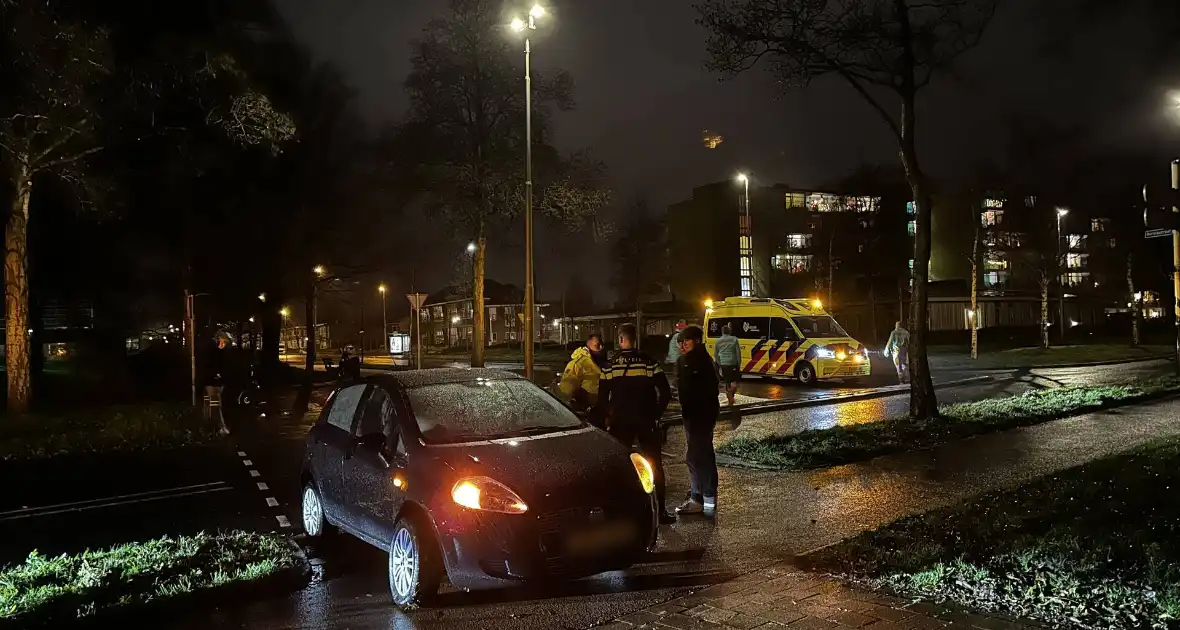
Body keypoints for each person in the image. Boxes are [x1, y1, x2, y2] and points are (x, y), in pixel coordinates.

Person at [598, 324, 675, 524]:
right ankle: (661, 511)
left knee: (619, 466)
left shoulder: (610, 365)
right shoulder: (648, 362)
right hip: (645, 420)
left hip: (620, 423)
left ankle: (620, 512)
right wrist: (655, 414)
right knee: (655, 465)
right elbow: (665, 392)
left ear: (621, 339)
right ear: (635, 338)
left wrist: (608, 416)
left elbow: (602, 398)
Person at [675, 325, 720, 516]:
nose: (682, 345)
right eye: (680, 342)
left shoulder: (697, 361)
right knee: (703, 454)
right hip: (696, 415)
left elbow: (704, 391)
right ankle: (702, 495)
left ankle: (698, 498)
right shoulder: (696, 360)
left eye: (686, 341)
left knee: (695, 456)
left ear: (697, 341)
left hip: (699, 415)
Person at [560, 333, 608, 425]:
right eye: (597, 346)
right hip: (586, 415)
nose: (601, 348)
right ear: (588, 345)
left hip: (601, 413)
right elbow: (566, 391)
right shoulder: (578, 364)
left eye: (602, 345)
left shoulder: (601, 363)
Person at [200, 336, 231, 436]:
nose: (224, 344)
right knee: (215, 406)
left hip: (211, 383)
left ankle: (209, 428)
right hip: (213, 383)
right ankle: (219, 427)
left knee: (210, 406)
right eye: (223, 342)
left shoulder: (211, 354)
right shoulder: (218, 354)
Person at [715, 324, 741, 407]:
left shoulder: (718, 341)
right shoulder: (734, 339)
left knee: (727, 381)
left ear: (722, 332)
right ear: (729, 331)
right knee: (734, 382)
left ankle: (730, 398)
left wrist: (720, 363)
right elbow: (738, 352)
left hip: (724, 364)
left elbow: (716, 354)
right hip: (733, 363)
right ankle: (731, 396)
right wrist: (738, 363)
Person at [665, 320, 687, 386]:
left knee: (677, 373)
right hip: (676, 357)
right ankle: (678, 387)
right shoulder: (678, 336)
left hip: (674, 357)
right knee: (678, 374)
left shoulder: (676, 335)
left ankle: (677, 386)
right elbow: (680, 347)